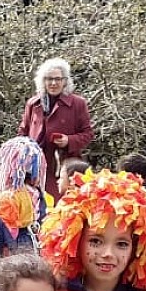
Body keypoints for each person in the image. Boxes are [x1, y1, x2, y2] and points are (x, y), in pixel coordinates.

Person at [17, 58, 93, 202]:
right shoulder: (33, 104)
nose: (53, 83)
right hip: (35, 167)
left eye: (58, 79)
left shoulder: (78, 104)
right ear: (42, 81)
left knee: (63, 208)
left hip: (65, 168)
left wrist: (68, 141)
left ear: (65, 81)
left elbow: (88, 134)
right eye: (49, 79)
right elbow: (23, 131)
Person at [0, 136, 48, 251]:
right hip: (36, 240)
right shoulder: (37, 192)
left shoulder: (9, 196)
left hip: (18, 242)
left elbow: (8, 229)